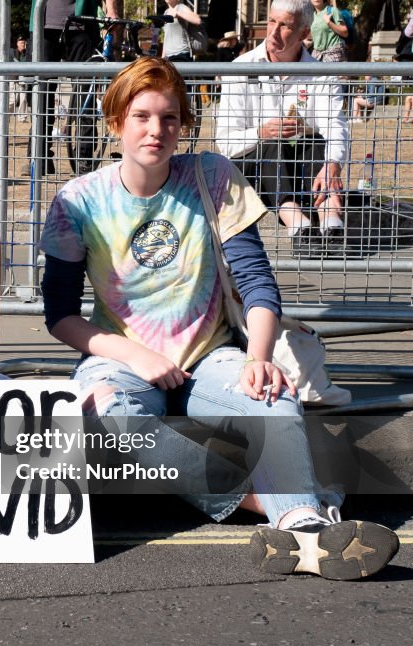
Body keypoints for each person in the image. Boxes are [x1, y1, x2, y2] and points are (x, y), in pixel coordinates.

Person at [39, 56, 398, 581]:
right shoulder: (77, 201)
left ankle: (302, 528)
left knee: (272, 396)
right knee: (107, 418)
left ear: (183, 125)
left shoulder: (212, 175)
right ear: (116, 122)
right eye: (141, 116)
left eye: (168, 118)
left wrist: (258, 358)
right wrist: (136, 354)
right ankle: (270, 505)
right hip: (122, 361)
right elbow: (60, 317)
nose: (155, 130)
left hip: (211, 355)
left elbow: (256, 282)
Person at [215, 0, 348, 257]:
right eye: (271, 22)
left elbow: (335, 123)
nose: (273, 32)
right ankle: (299, 225)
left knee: (317, 144)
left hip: (302, 166)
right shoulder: (240, 68)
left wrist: (333, 164)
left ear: (304, 33)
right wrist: (261, 132)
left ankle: (331, 220)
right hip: (251, 169)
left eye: (284, 25)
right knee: (273, 145)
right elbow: (226, 142)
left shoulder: (321, 73)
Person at [20, 0, 119, 178]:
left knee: (85, 95)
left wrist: (111, 9)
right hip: (43, 24)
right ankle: (38, 156)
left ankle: (84, 159)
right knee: (38, 95)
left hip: (83, 24)